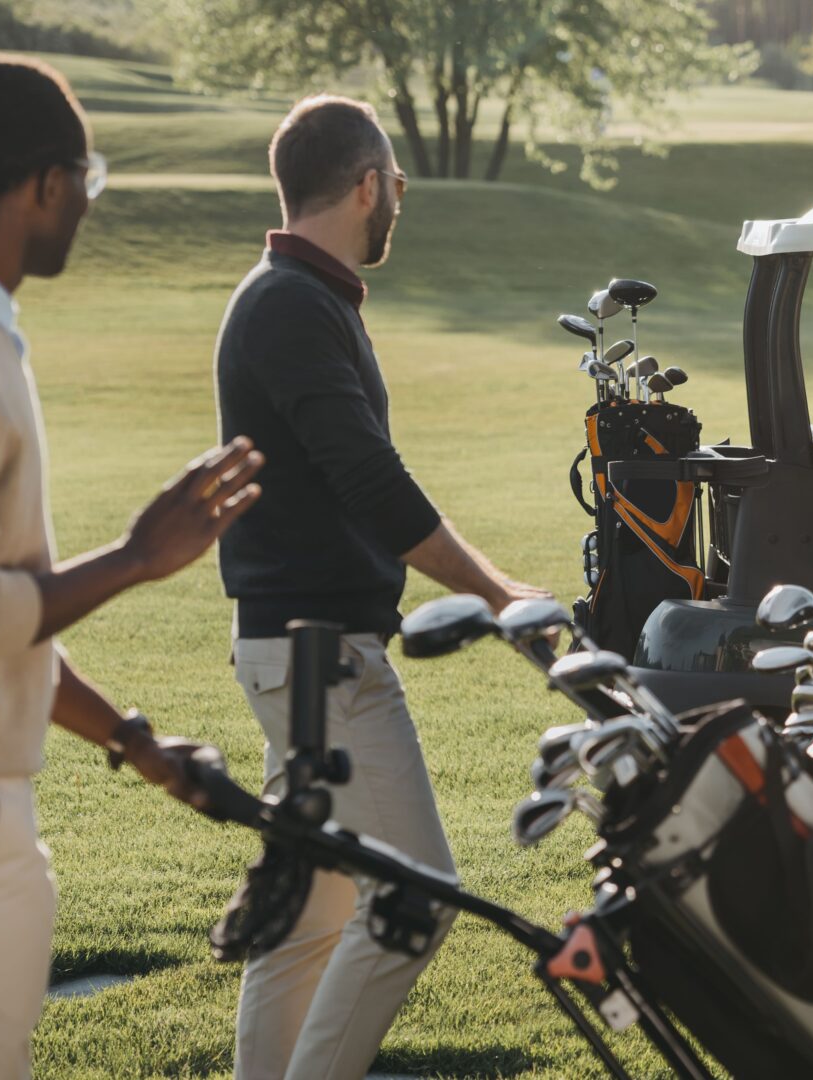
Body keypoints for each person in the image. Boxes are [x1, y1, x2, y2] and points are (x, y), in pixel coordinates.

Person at [0, 54, 265, 1078]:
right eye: (88, 185)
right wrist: (136, 559)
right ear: (47, 185)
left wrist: (132, 743)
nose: (85, 209)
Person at [213, 94, 554, 1080]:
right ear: (367, 183)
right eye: (396, 181)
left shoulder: (301, 298)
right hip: (321, 657)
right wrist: (500, 593)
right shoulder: (288, 304)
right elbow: (368, 480)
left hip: (308, 649)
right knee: (415, 897)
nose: (399, 198)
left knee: (316, 916)